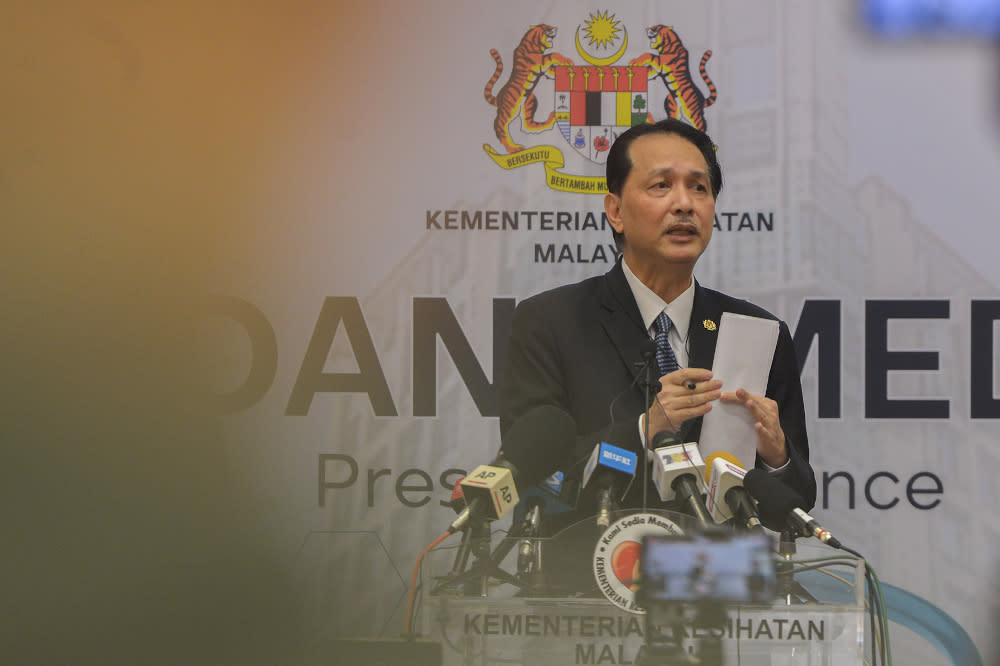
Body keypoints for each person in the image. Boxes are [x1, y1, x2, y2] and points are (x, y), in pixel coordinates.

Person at [498, 119, 816, 516]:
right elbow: (532, 476)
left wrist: (777, 456)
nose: (684, 204)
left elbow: (797, 501)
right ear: (615, 211)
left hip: (719, 571)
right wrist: (643, 431)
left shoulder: (758, 332)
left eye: (699, 188)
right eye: (661, 185)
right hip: (582, 568)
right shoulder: (548, 322)